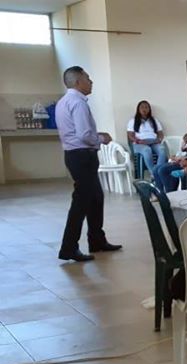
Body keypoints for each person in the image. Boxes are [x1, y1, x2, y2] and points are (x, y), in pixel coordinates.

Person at [56, 66, 120, 262]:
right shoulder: (78, 103)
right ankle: (68, 247)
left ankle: (97, 240)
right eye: (87, 78)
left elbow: (77, 131)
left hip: (75, 155)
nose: (91, 82)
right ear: (78, 82)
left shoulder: (63, 102)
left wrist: (95, 136)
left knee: (96, 198)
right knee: (81, 202)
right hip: (82, 156)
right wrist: (102, 138)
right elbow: (84, 135)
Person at [127, 100, 167, 175]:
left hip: (153, 142)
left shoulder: (154, 120)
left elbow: (160, 133)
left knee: (162, 149)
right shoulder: (133, 121)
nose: (144, 109)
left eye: (146, 107)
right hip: (140, 143)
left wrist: (158, 139)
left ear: (149, 109)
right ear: (138, 109)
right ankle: (153, 174)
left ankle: (158, 171)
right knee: (147, 150)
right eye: (142, 107)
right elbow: (130, 135)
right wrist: (138, 141)